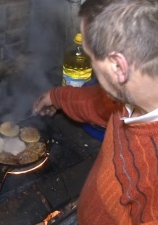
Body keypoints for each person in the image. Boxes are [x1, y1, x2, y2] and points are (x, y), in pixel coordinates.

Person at [33, 0, 158, 224]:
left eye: (91, 60)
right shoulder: (137, 93)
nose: (90, 66)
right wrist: (56, 97)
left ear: (118, 67)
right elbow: (102, 102)